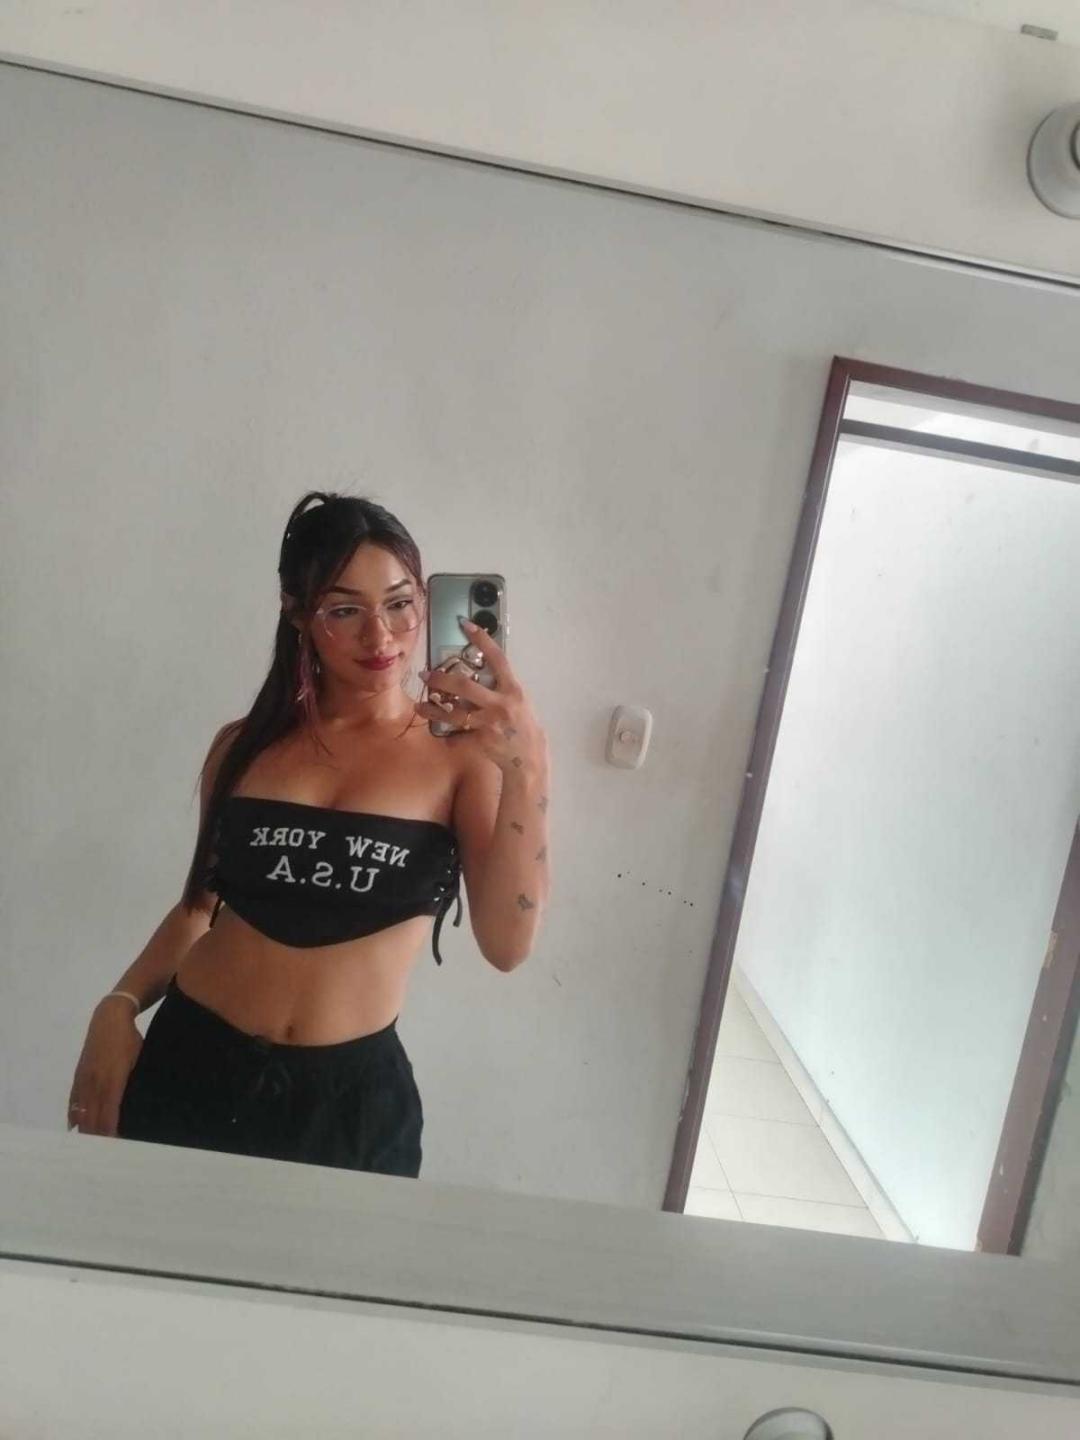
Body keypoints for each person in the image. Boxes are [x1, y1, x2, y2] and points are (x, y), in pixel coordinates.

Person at [66, 491, 550, 1177]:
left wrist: (528, 766)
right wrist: (116, 1009)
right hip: (189, 1066)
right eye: (344, 610)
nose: (381, 638)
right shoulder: (243, 747)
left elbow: (508, 946)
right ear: (297, 614)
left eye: (400, 604)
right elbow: (199, 909)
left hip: (348, 1108)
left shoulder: (461, 761)